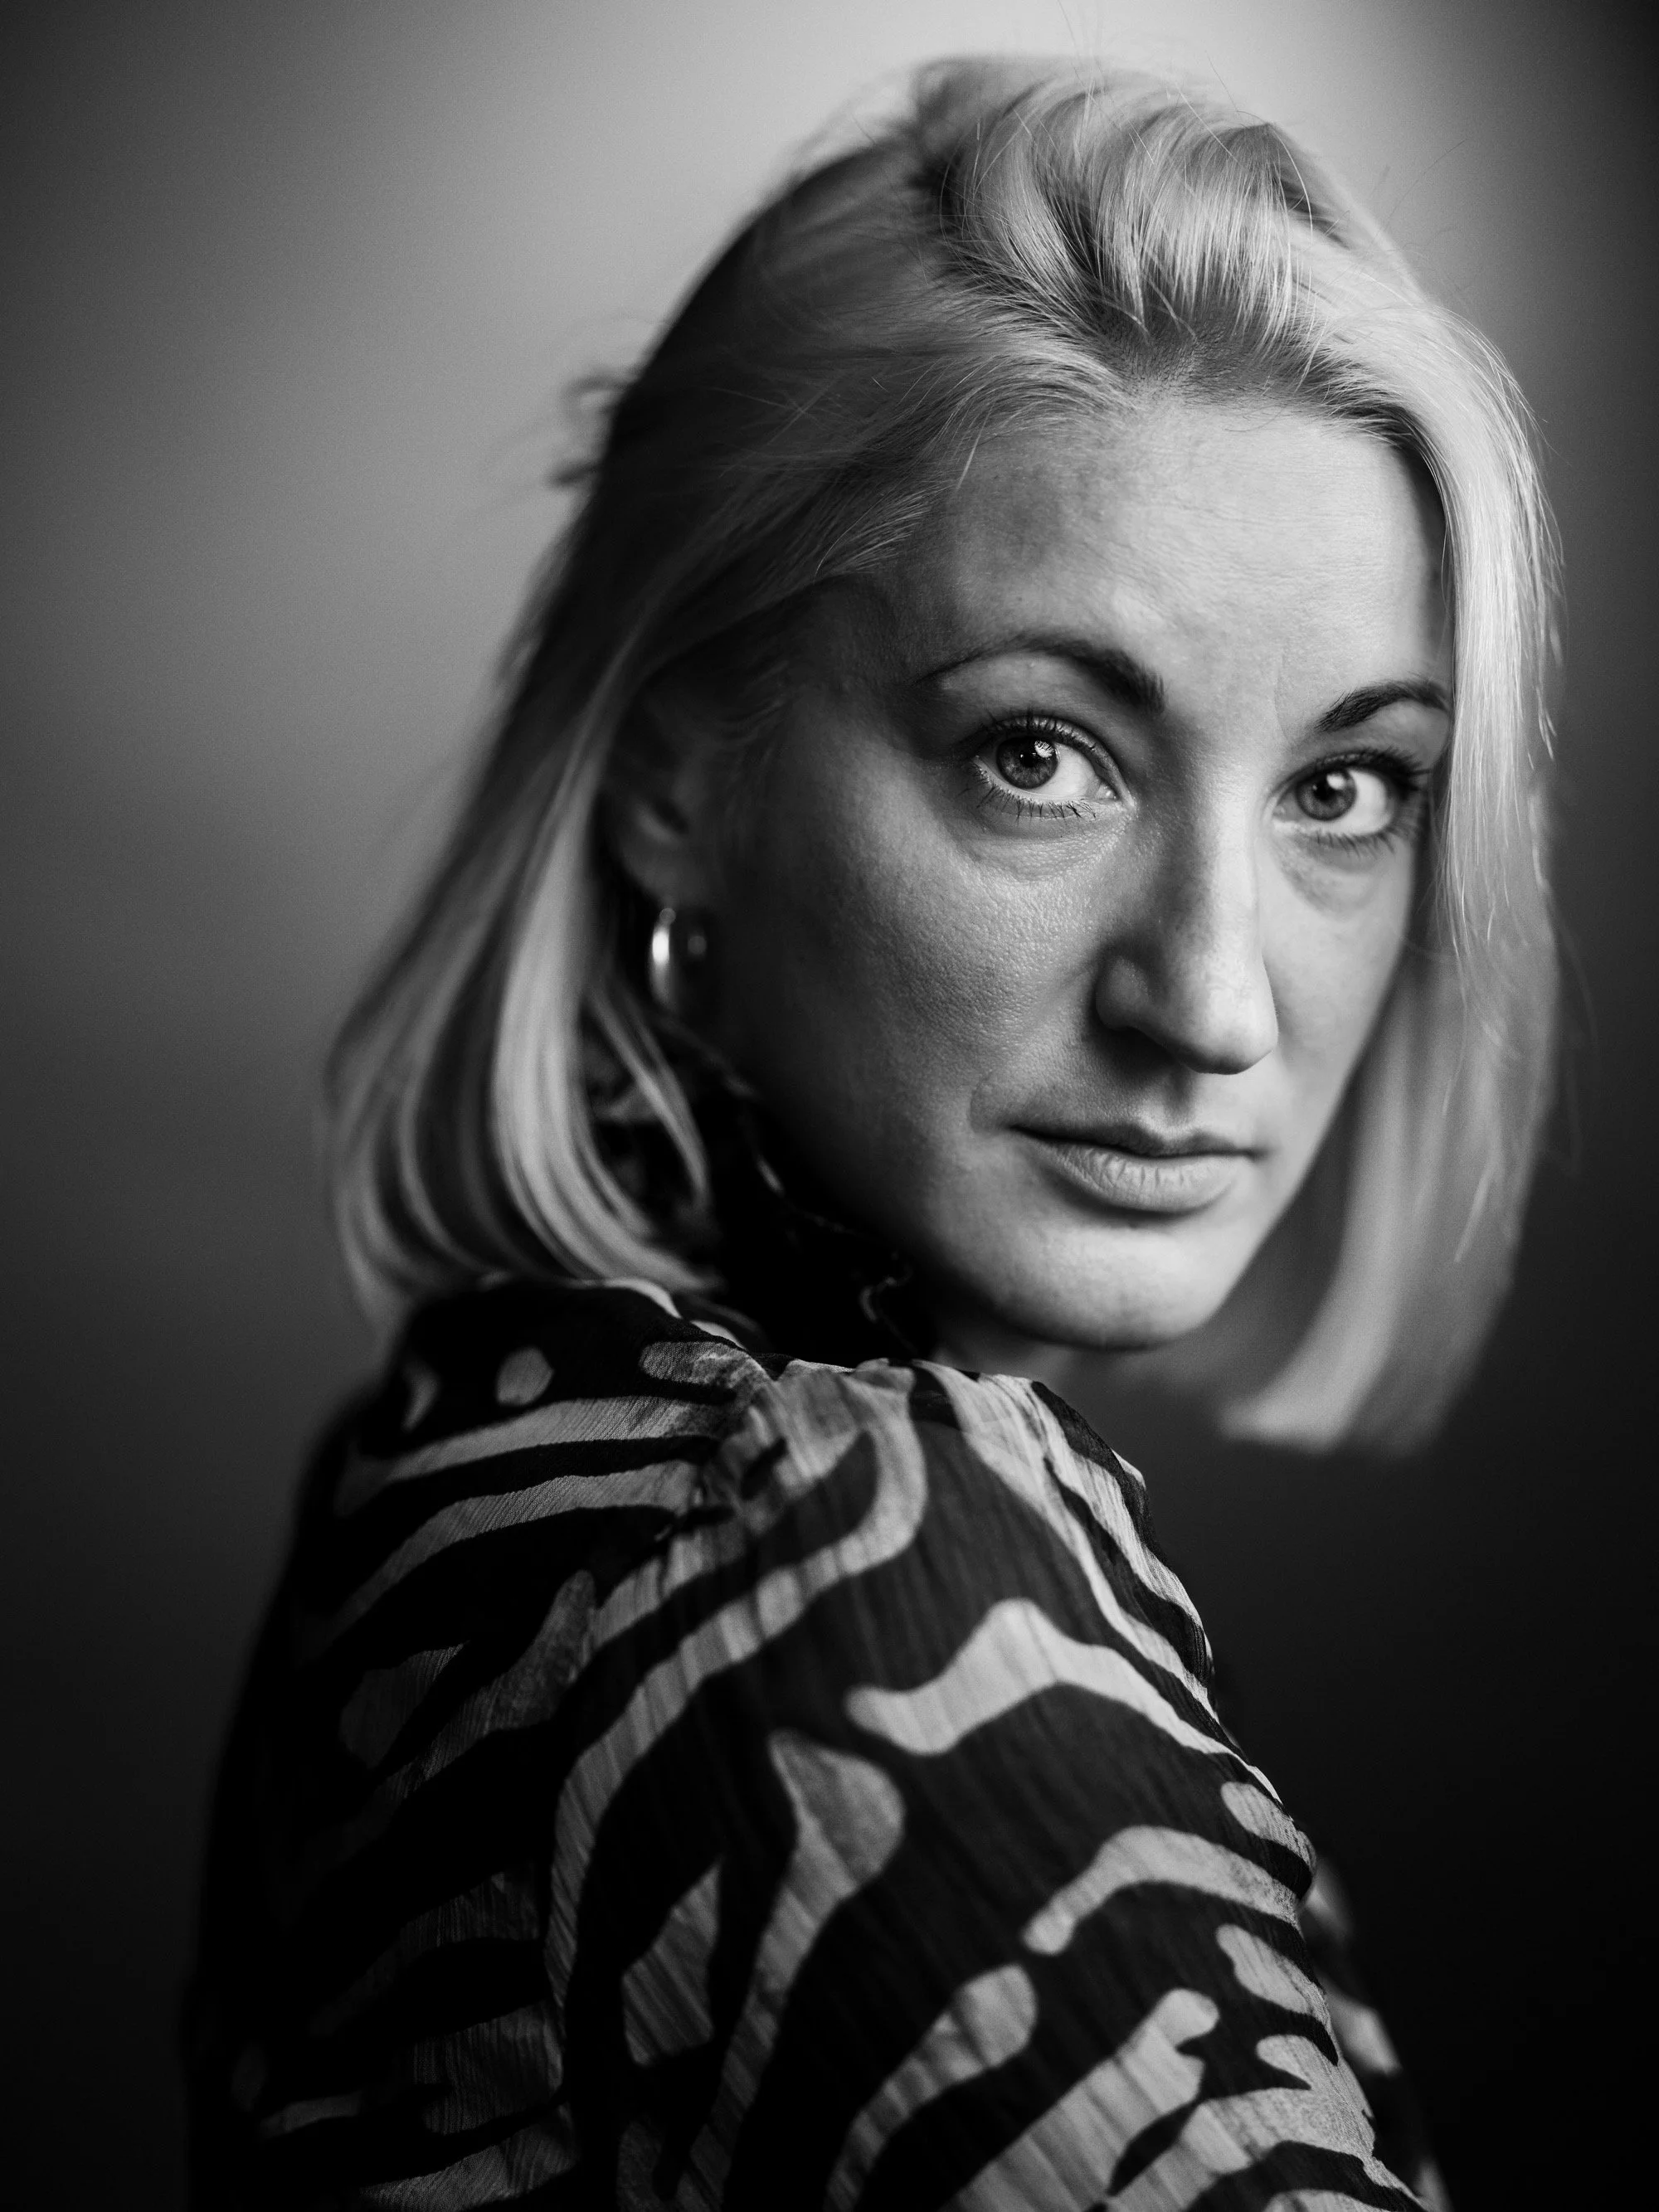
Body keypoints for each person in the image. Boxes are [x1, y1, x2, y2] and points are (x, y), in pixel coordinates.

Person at [184, 56, 1558, 2211]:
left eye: (1344, 786)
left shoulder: (484, 1458)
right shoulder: (818, 1586)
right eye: (1041, 753)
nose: (1212, 999)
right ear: (675, 784)